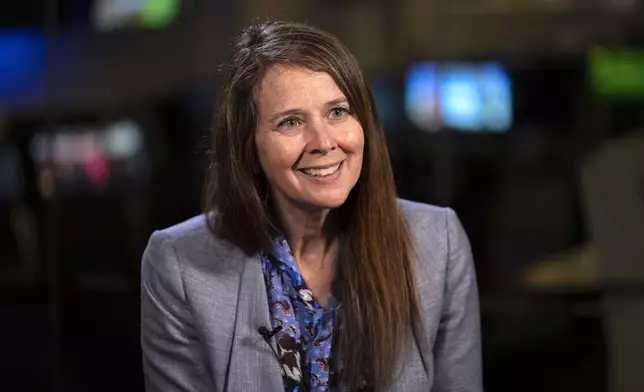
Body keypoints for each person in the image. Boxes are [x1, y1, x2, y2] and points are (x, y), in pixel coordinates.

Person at [141, 21, 482, 392]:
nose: (323, 141)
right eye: (291, 122)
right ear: (248, 149)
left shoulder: (439, 243)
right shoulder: (179, 265)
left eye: (337, 112)